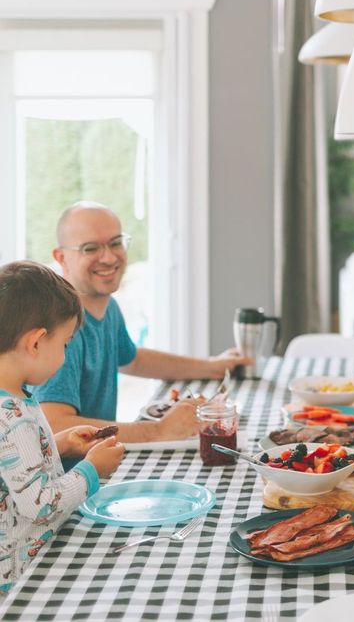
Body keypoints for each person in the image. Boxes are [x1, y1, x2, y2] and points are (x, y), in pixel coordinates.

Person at [31, 202, 251, 443]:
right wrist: (158, 431)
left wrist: (212, 367)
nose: (108, 257)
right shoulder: (63, 327)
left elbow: (132, 359)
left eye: (115, 243)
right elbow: (55, 423)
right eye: (90, 248)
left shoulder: (108, 307)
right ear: (61, 257)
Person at [0, 261, 124, 594]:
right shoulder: (12, 416)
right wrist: (91, 471)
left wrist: (58, 444)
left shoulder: (13, 399)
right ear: (36, 342)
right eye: (65, 344)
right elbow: (40, 505)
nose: (66, 354)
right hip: (22, 578)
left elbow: (13, 468)